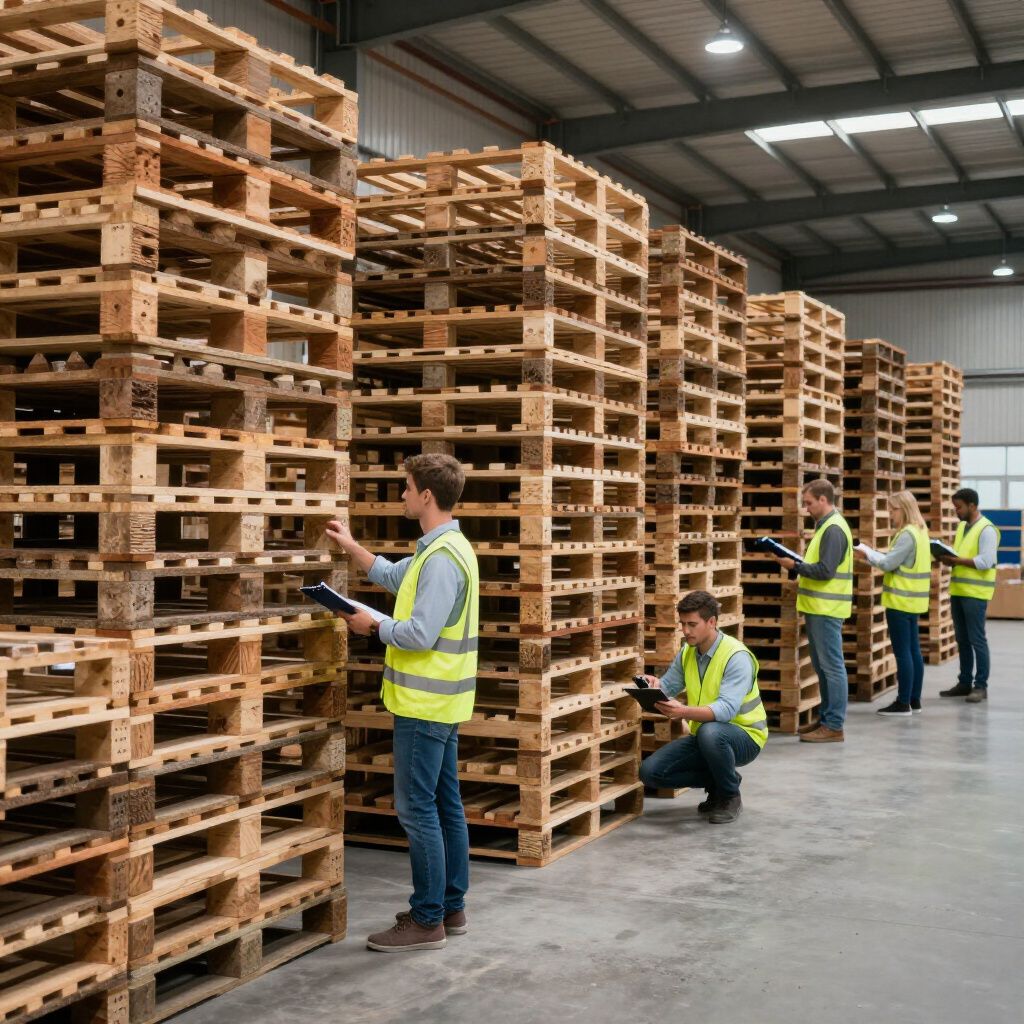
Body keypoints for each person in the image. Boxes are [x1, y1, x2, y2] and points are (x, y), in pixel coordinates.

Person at [326, 453, 478, 952]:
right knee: (445, 806)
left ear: (427, 495)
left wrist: (373, 626)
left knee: (417, 810)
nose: (403, 495)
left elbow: (419, 633)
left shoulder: (441, 560)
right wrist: (351, 548)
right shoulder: (447, 549)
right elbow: (395, 577)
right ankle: (449, 906)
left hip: (424, 706)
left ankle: (427, 918)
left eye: (407, 487)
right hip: (444, 703)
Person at [637, 590, 767, 823]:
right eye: (682, 624)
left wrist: (683, 712)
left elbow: (726, 711)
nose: (686, 631)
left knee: (710, 731)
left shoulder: (736, 656)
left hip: (746, 736)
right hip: (708, 738)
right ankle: (722, 779)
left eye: (692, 624)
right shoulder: (688, 651)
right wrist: (654, 686)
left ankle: (729, 797)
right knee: (650, 772)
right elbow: (669, 687)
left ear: (712, 622)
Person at [773, 478, 853, 743]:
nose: (805, 508)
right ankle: (827, 719)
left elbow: (825, 570)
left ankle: (834, 725)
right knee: (824, 667)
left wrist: (794, 565)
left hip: (826, 609)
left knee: (832, 667)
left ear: (823, 499)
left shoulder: (833, 529)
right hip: (819, 607)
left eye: (808, 503)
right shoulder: (825, 526)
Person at [854, 490, 932, 717]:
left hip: (901, 601)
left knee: (903, 653)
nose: (889, 514)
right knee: (914, 651)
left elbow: (888, 563)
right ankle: (914, 700)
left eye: (892, 509)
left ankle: (903, 702)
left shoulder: (907, 534)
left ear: (904, 509)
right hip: (914, 601)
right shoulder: (921, 531)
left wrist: (867, 554)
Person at [934, 487, 1000, 703]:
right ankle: (964, 683)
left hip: (976, 594)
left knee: (977, 639)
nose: (956, 512)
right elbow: (961, 553)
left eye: (959, 507)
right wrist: (946, 557)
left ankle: (980, 686)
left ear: (973, 505)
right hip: (959, 591)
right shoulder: (962, 527)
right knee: (962, 640)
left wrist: (958, 561)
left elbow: (986, 561)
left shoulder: (986, 529)